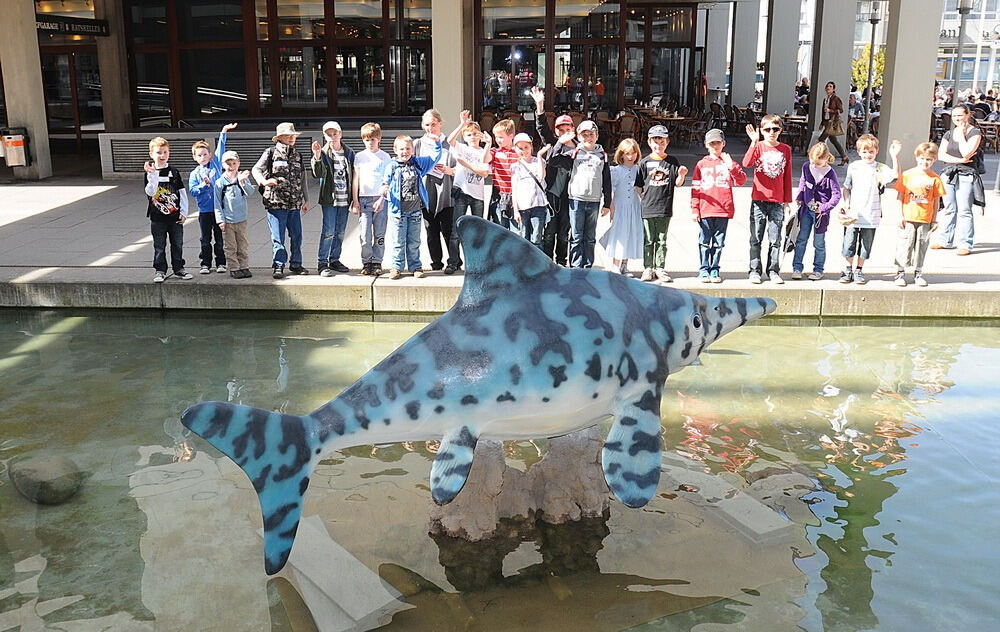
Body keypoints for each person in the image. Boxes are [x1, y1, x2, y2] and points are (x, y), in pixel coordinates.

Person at [375, 134, 443, 280]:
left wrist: (437, 144)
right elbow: (384, 184)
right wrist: (383, 191)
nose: (404, 152)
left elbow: (434, 158)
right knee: (398, 241)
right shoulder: (391, 167)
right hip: (397, 212)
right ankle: (397, 267)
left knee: (414, 241)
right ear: (395, 150)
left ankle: (415, 266)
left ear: (412, 150)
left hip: (415, 211)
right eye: (401, 149)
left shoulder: (418, 164)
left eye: (407, 148)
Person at [839, 134, 900, 284]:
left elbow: (895, 175)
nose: (868, 155)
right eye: (864, 152)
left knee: (866, 244)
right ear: (859, 152)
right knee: (849, 243)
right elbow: (846, 187)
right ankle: (848, 268)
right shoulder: (854, 167)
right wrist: (846, 203)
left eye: (871, 152)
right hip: (854, 213)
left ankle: (859, 269)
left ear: (876, 151)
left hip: (872, 213)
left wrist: (894, 156)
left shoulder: (880, 168)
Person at [253, 122, 310, 279]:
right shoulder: (270, 152)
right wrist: (264, 182)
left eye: (293, 135)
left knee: (297, 236)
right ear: (280, 137)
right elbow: (256, 169)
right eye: (288, 135)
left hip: (295, 203)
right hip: (276, 202)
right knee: (278, 237)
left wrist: (306, 199)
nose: (292, 138)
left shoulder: (297, 154)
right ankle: (278, 265)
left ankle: (296, 263)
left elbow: (302, 177)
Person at [690, 128, 746, 283]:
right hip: (705, 208)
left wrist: (731, 166)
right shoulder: (701, 164)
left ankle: (714, 268)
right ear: (706, 145)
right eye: (712, 143)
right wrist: (695, 208)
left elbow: (741, 181)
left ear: (723, 144)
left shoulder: (729, 163)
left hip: (723, 209)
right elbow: (695, 188)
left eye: (718, 143)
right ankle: (703, 268)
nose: (715, 146)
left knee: (718, 242)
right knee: (704, 241)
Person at [743, 115, 793, 284]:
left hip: (777, 201)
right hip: (759, 199)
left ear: (780, 130)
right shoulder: (759, 147)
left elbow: (787, 176)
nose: (772, 132)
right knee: (756, 237)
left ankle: (773, 270)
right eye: (767, 129)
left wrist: (787, 201)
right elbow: (747, 163)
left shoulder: (785, 149)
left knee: (775, 239)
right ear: (762, 131)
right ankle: (754, 269)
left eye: (775, 129)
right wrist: (753, 142)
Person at [635, 125, 687, 282]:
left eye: (662, 142)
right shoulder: (644, 163)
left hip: (665, 206)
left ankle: (660, 267)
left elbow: (677, 183)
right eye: (656, 142)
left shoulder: (672, 162)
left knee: (662, 240)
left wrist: (682, 175)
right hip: (648, 207)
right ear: (650, 142)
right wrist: (644, 198)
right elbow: (639, 186)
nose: (659, 146)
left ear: (667, 142)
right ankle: (648, 267)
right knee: (648, 239)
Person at [530, 85, 574, 265]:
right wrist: (540, 106)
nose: (564, 133)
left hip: (569, 197)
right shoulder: (553, 143)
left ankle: (562, 263)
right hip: (551, 195)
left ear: (573, 128)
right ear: (556, 131)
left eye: (567, 129)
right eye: (560, 130)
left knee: (564, 234)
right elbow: (541, 127)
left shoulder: (580, 148)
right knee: (549, 233)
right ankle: (548, 264)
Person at [933, 104, 983, 255]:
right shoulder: (949, 134)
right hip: (948, 173)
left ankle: (965, 243)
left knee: (964, 209)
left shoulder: (975, 133)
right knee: (949, 208)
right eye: (954, 116)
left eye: (960, 115)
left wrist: (961, 135)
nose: (957, 119)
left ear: (968, 115)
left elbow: (967, 152)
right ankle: (945, 240)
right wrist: (959, 160)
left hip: (967, 174)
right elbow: (940, 155)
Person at [893, 142, 945, 287]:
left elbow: (936, 201)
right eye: (922, 158)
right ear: (917, 158)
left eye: (929, 159)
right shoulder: (907, 175)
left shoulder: (935, 178)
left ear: (934, 160)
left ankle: (918, 272)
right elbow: (900, 196)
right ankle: (900, 272)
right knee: (905, 245)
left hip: (925, 218)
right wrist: (899, 216)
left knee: (921, 245)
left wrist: (934, 220)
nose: (925, 162)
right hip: (908, 217)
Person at [188, 122, 237, 275]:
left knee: (219, 238)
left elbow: (221, 146)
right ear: (195, 158)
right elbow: (193, 191)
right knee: (205, 238)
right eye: (199, 155)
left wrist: (224, 131)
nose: (203, 157)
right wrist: (203, 185)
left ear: (210, 155)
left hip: (218, 209)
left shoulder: (215, 164)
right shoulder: (195, 173)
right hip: (204, 211)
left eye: (205, 154)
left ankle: (221, 262)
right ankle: (205, 263)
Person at [416, 109, 461, 273]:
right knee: (431, 230)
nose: (430, 128)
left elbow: (462, 167)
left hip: (447, 191)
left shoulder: (450, 142)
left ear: (440, 124)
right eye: (427, 124)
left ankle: (454, 261)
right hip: (427, 192)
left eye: (433, 124)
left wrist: (451, 170)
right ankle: (436, 263)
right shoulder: (418, 144)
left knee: (448, 230)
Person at [562, 120, 612, 269]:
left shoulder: (602, 155)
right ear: (578, 136)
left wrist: (607, 203)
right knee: (576, 236)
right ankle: (576, 265)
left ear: (596, 136)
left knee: (590, 237)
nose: (588, 138)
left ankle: (588, 265)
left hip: (594, 200)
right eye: (584, 135)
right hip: (577, 199)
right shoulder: (574, 153)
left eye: (591, 134)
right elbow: (556, 162)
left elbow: (607, 180)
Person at [447, 112, 492, 273]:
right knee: (456, 229)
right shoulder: (462, 148)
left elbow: (485, 171)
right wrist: (462, 125)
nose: (472, 137)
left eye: (475, 134)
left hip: (477, 196)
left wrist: (488, 144)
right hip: (462, 193)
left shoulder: (483, 151)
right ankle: (453, 261)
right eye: (469, 134)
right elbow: (450, 140)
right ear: (465, 137)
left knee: (477, 231)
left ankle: (476, 263)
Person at [144, 137, 192, 283]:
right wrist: (152, 176)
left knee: (177, 243)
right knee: (159, 245)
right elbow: (150, 192)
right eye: (158, 152)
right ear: (151, 154)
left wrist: (184, 213)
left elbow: (182, 193)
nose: (162, 155)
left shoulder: (174, 172)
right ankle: (160, 270)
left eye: (165, 152)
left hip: (175, 217)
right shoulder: (150, 173)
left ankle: (179, 268)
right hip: (157, 218)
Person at [310, 121, 355, 276]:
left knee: (340, 231)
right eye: (329, 134)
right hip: (330, 199)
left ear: (340, 134)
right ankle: (322, 262)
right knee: (328, 230)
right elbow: (317, 173)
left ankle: (334, 259)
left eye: (335, 133)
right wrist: (316, 156)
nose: (332, 136)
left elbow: (355, 175)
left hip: (345, 199)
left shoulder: (349, 152)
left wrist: (355, 198)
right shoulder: (323, 153)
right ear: (324, 136)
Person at [791, 143, 841, 281]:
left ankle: (818, 269)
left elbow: (837, 195)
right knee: (801, 239)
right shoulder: (807, 166)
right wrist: (800, 197)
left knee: (819, 243)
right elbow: (803, 182)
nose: (815, 165)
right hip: (806, 209)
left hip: (821, 214)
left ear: (826, 159)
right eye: (813, 162)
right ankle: (797, 267)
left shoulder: (830, 174)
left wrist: (824, 208)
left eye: (819, 163)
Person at [351, 122, 392, 277]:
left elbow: (388, 181)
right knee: (365, 234)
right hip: (364, 199)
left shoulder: (385, 157)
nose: (370, 143)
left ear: (379, 139)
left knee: (379, 233)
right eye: (367, 140)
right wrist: (355, 200)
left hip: (380, 200)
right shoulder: (360, 157)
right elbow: (356, 179)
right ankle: (366, 261)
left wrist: (382, 198)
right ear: (363, 140)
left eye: (373, 139)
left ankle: (377, 261)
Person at [600, 138, 644, 276]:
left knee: (631, 233)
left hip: (634, 207)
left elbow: (641, 189)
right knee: (619, 234)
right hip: (620, 206)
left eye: (633, 153)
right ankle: (615, 265)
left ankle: (625, 264)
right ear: (621, 154)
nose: (630, 157)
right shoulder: (616, 171)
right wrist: (611, 207)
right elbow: (610, 189)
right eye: (627, 153)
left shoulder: (639, 169)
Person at [213, 150, 256, 279]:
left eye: (234, 163)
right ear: (223, 165)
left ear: (238, 164)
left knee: (243, 244)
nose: (231, 166)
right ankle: (234, 267)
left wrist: (243, 182)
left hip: (241, 219)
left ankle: (244, 266)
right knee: (230, 246)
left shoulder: (242, 178)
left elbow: (250, 192)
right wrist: (220, 220)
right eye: (228, 164)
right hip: (228, 220)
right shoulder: (220, 183)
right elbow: (217, 203)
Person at [510, 132, 547, 250]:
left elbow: (541, 177)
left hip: (538, 204)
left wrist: (540, 156)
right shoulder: (515, 166)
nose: (524, 151)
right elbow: (514, 188)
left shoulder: (538, 162)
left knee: (537, 237)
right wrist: (515, 210)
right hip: (523, 207)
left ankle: (538, 265)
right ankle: (525, 265)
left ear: (531, 147)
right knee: (524, 237)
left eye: (526, 147)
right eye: (520, 148)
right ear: (515, 149)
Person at [487, 119, 519, 230]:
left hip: (515, 194)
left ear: (511, 136)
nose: (498, 140)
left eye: (501, 137)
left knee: (516, 230)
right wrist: (488, 144)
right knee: (500, 228)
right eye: (496, 137)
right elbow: (485, 159)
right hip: (500, 194)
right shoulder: (495, 151)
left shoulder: (518, 153)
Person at [818, 81, 849, 166]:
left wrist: (830, 110)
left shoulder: (836, 99)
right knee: (833, 140)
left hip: (832, 122)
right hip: (827, 121)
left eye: (831, 86)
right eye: (827, 86)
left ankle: (824, 157)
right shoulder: (825, 99)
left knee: (821, 139)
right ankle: (844, 157)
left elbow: (841, 110)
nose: (828, 88)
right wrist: (822, 122)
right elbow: (823, 112)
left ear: (833, 89)